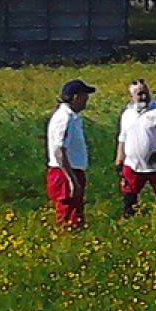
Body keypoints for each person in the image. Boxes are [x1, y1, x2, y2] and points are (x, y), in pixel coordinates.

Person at [114, 78, 156, 217]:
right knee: (129, 196)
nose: (143, 97)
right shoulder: (127, 114)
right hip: (133, 165)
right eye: (139, 94)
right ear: (132, 96)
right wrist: (119, 161)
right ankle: (128, 221)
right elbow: (122, 139)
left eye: (146, 93)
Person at [46, 79, 95, 230]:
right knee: (68, 214)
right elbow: (59, 150)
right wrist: (71, 179)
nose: (86, 100)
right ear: (76, 97)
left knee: (76, 214)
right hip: (64, 173)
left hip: (71, 171)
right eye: (84, 96)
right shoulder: (64, 118)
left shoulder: (72, 117)